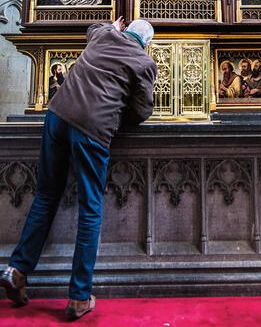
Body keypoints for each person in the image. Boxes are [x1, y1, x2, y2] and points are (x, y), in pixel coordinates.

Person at [0, 17, 157, 320]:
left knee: (46, 195)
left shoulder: (102, 36)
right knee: (91, 209)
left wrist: (112, 26)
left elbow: (93, 28)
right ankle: (79, 296)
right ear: (147, 44)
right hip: (92, 130)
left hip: (57, 116)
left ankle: (17, 270)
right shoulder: (143, 61)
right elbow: (141, 111)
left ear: (125, 31)